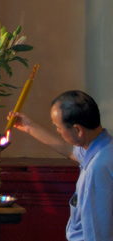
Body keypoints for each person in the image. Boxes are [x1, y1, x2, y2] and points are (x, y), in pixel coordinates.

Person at [9, 90, 113, 241]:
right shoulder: (104, 148)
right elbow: (70, 150)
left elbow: (97, 234)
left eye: (58, 127)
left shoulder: (97, 168)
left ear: (77, 130)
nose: (58, 131)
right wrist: (29, 127)